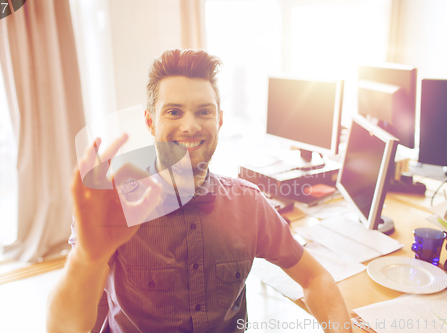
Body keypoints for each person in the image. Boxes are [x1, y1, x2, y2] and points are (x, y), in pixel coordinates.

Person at [46, 49, 353, 333]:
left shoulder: (249, 204)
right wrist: (87, 258)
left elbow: (315, 277)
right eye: (174, 112)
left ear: (219, 120)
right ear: (150, 122)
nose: (191, 126)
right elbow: (63, 328)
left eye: (204, 112)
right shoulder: (115, 207)